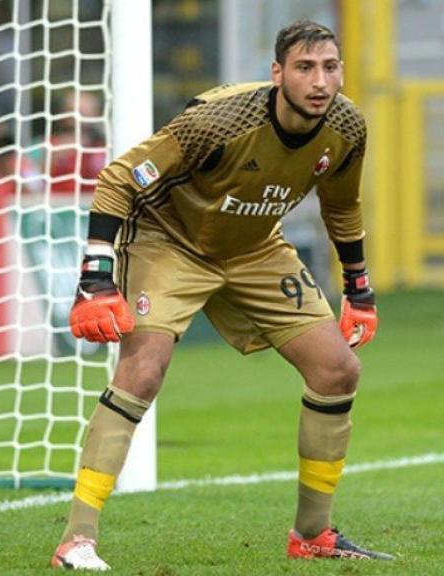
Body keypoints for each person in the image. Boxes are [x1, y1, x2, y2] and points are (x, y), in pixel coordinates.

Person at [50, 20, 392, 570]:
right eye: (304, 68)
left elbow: (342, 208)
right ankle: (77, 538)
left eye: (330, 67)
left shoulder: (348, 128)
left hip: (254, 247)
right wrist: (95, 276)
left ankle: (312, 534)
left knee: (337, 370)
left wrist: (359, 287)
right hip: (170, 241)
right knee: (142, 372)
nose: (320, 81)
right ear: (277, 73)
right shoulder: (221, 118)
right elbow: (118, 178)